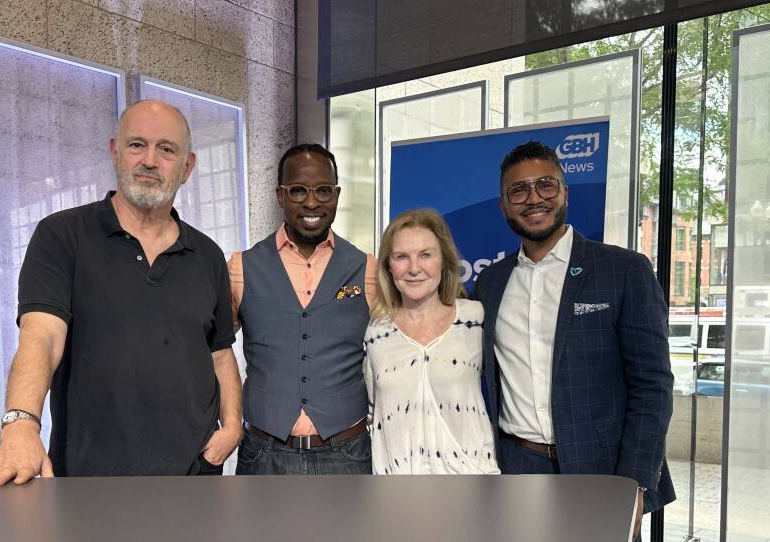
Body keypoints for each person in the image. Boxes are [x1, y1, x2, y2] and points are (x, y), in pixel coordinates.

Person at [0, 100, 242, 485]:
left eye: (166, 149)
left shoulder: (207, 254)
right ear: (115, 152)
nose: (149, 160)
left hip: (195, 474)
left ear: (187, 167)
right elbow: (41, 336)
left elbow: (220, 352)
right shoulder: (62, 236)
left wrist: (231, 429)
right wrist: (21, 423)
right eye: (136, 145)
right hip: (89, 478)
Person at [471, 141, 675, 540]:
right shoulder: (490, 282)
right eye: (518, 190)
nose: (533, 199)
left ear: (565, 192)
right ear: (503, 205)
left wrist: (634, 485)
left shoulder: (623, 270)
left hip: (601, 472)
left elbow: (653, 387)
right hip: (515, 467)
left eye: (545, 185)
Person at [228, 143, 376, 475]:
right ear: (280, 196)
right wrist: (226, 421)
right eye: (298, 191)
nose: (312, 202)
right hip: (264, 455)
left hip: (347, 455)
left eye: (323, 191)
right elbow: (213, 349)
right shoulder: (241, 267)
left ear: (337, 195)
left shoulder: (367, 268)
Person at [364, 209, 499, 475]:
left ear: (444, 261)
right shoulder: (376, 332)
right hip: (397, 495)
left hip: (471, 487)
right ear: (389, 267)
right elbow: (372, 414)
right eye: (402, 257)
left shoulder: (475, 319)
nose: (414, 268)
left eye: (426, 255)